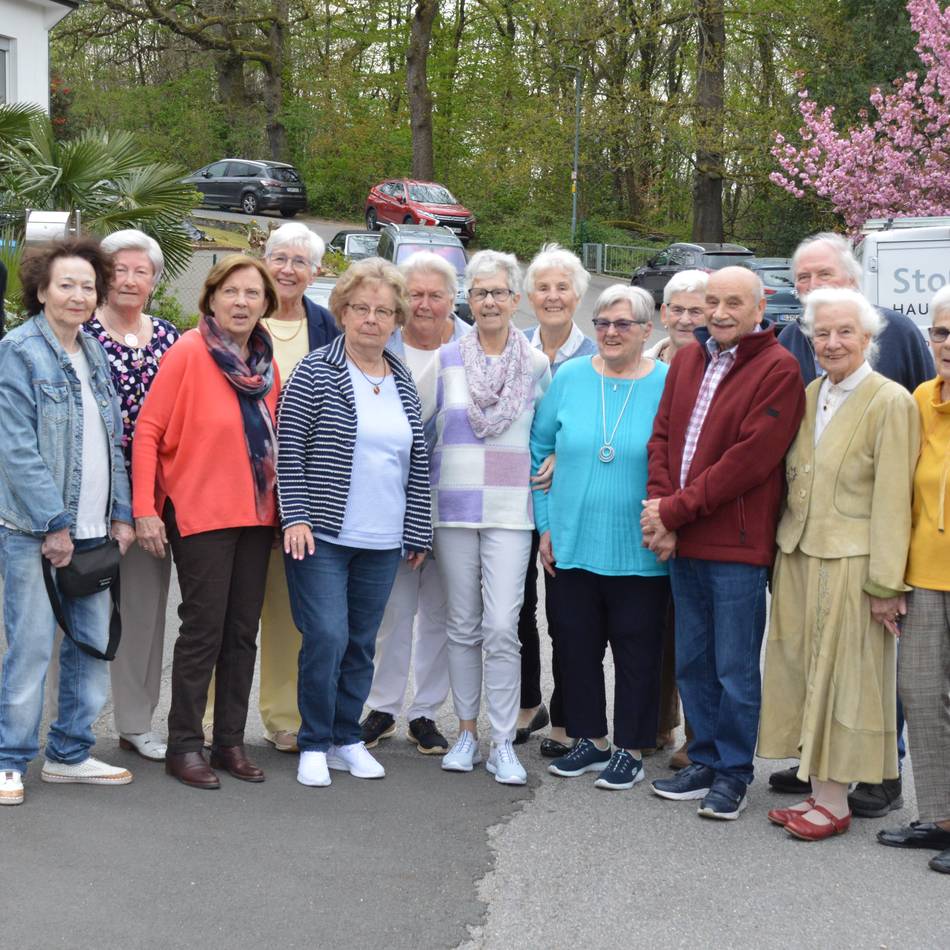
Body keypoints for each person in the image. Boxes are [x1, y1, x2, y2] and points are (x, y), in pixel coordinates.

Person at [771, 231, 934, 815]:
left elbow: (896, 497)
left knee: (854, 679)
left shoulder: (892, 399)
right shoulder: (811, 391)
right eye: (822, 333)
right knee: (807, 668)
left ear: (868, 337)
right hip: (802, 552)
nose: (832, 342)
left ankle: (851, 791)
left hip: (857, 560)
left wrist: (889, 582)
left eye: (845, 333)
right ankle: (820, 779)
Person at [643, 266, 804, 820]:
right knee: (693, 661)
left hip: (735, 544)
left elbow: (747, 464)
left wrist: (672, 510)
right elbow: (662, 436)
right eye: (712, 300)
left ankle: (733, 773)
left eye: (734, 302)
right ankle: (705, 760)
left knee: (734, 667)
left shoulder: (779, 369)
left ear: (761, 308)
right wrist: (663, 511)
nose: (720, 312)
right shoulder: (689, 358)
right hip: (685, 538)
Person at [277, 257, 432, 789]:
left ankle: (347, 737)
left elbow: (416, 458)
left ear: (396, 320)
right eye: (361, 308)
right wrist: (293, 515)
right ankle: (314, 741)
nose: (372, 319)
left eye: (383, 311)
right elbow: (289, 447)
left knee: (362, 641)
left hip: (383, 538)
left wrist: (417, 528)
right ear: (342, 312)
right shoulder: (316, 370)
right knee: (325, 635)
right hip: (321, 534)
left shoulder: (402, 378)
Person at [133, 254, 280, 790]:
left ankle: (230, 743)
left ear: (266, 304)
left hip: (258, 514)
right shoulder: (189, 353)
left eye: (253, 294)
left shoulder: (264, 362)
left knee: (242, 634)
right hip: (201, 514)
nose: (242, 302)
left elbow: (275, 438)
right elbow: (148, 430)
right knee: (203, 631)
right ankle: (184, 745)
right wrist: (145, 509)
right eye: (232, 292)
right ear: (212, 298)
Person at [0, 238, 135, 807]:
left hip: (94, 532)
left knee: (90, 644)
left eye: (87, 286)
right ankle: (9, 760)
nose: (79, 296)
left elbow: (114, 438)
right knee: (30, 647)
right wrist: (53, 521)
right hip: (36, 531)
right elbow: (15, 446)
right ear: (41, 290)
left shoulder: (93, 352)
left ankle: (69, 754)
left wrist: (122, 513)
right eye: (66, 285)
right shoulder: (19, 350)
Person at [203, 223, 340, 755]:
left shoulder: (329, 326)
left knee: (289, 612)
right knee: (226, 611)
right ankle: (213, 715)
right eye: (278, 257)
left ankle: (284, 718)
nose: (288, 268)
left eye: (300, 261)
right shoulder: (236, 320)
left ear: (317, 271)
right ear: (263, 262)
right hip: (235, 490)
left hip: (302, 495)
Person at [419, 249, 550, 785]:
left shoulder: (538, 365)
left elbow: (549, 434)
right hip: (452, 510)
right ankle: (467, 732)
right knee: (462, 625)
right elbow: (419, 431)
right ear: (467, 301)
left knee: (501, 627)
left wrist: (556, 457)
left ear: (516, 300)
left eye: (499, 292)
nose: (490, 301)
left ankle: (502, 742)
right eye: (479, 292)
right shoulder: (445, 360)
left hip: (510, 512)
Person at [531, 285, 669, 791]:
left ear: (646, 331)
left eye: (622, 324)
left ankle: (630, 747)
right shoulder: (569, 377)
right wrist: (546, 525)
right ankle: (590, 740)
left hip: (639, 549)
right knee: (576, 646)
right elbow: (539, 446)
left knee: (637, 650)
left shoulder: (666, 383)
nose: (610, 332)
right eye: (603, 322)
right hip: (572, 542)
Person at [359, 252, 469, 755]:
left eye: (436, 295)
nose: (425, 305)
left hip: (454, 502)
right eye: (416, 295)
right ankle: (382, 706)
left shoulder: (471, 348)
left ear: (453, 298)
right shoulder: (384, 348)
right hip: (392, 500)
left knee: (441, 613)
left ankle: (425, 712)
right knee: (393, 610)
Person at [81, 229, 179, 763]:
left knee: (143, 611)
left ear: (154, 280)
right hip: (90, 488)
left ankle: (136, 723)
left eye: (141, 271)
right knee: (75, 608)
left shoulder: (170, 337)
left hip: (151, 497)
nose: (129, 279)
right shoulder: (78, 333)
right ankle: (60, 724)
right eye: (119, 269)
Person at [877, 286, 950, 872]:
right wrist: (893, 575)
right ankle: (942, 816)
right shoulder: (922, 399)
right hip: (924, 575)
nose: (948, 344)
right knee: (922, 696)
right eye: (943, 332)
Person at [516, 243, 596, 756]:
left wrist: (564, 456)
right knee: (516, 609)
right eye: (543, 287)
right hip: (510, 497)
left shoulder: (596, 354)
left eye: (562, 287)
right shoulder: (514, 347)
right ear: (528, 296)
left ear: (578, 295)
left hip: (570, 504)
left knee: (568, 612)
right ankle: (529, 702)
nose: (552, 296)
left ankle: (566, 715)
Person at [644, 268, 709, 769]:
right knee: (655, 624)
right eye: (678, 309)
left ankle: (697, 735)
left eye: (697, 309)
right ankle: (659, 723)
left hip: (700, 513)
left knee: (696, 631)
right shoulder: (645, 363)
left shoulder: (716, 367)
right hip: (650, 510)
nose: (686, 319)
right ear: (663, 314)